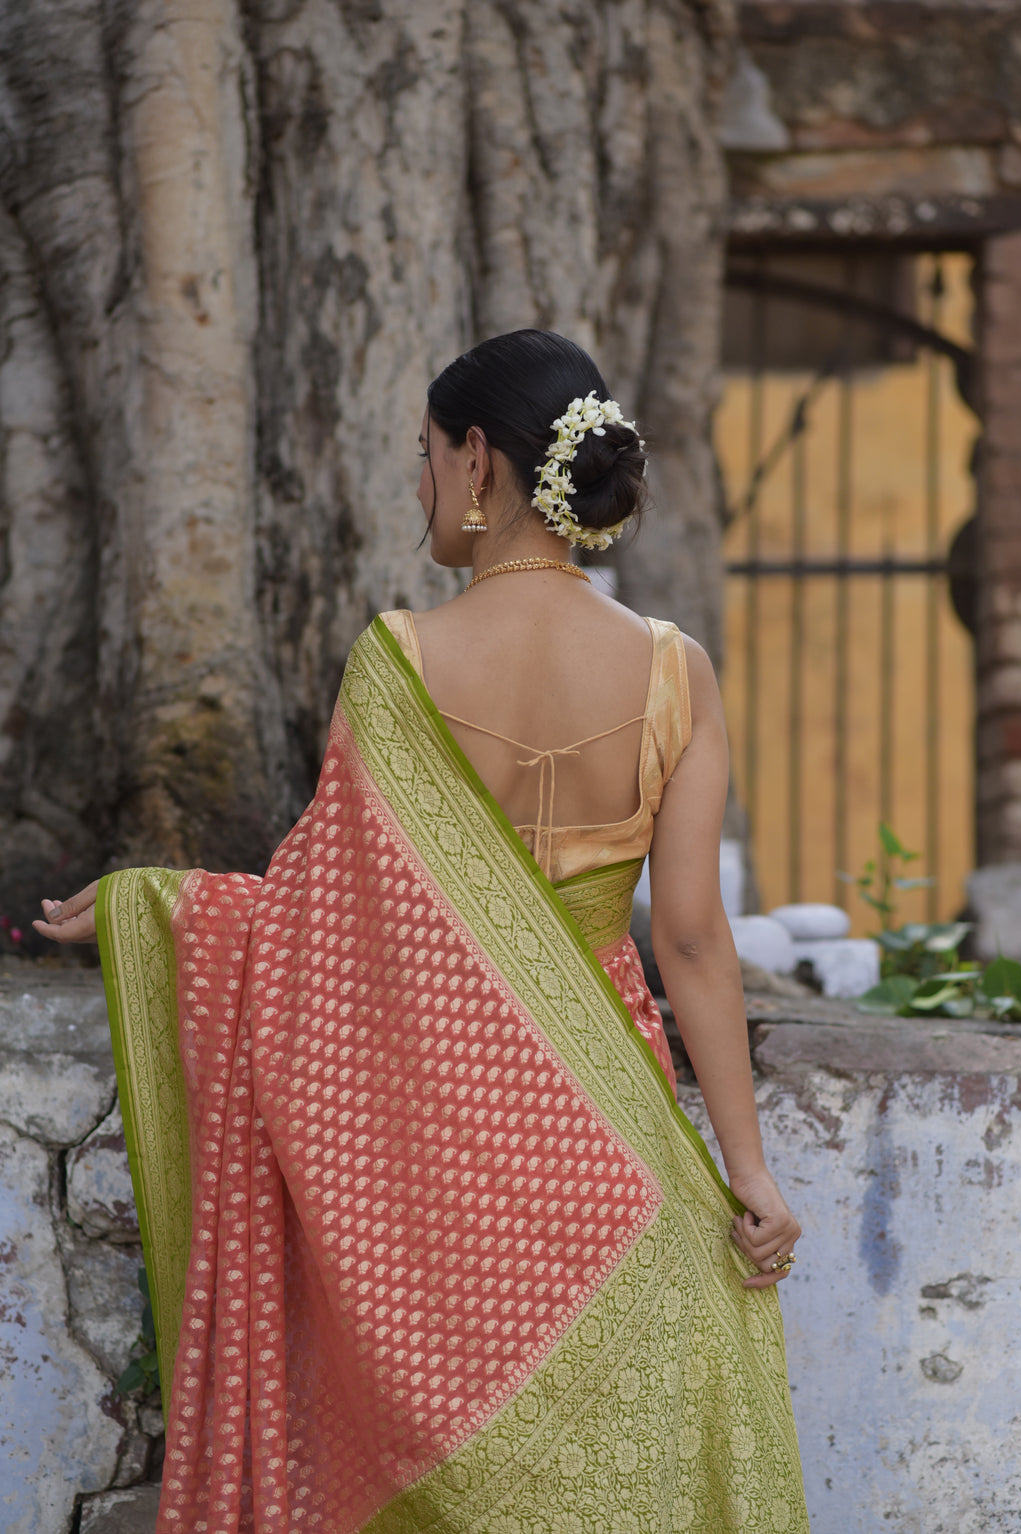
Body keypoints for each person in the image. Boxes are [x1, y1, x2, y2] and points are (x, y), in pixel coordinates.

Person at [36, 330, 807, 1534]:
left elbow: (316, 933)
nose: (420, 487)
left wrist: (160, 906)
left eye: (425, 457)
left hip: (427, 1198)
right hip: (613, 1169)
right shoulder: (674, 670)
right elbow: (697, 945)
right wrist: (745, 1175)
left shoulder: (399, 662)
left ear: (479, 462)